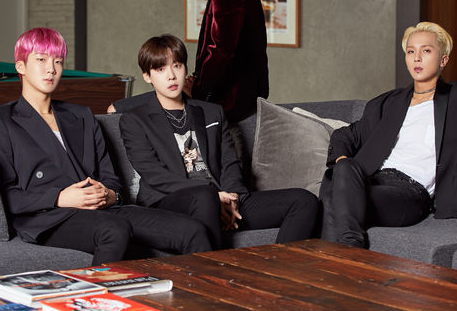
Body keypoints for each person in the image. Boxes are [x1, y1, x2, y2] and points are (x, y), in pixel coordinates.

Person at [0, 28, 211, 265]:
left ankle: (200, 290)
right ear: (20, 66)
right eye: (41, 60)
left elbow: (111, 179)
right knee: (114, 229)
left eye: (58, 61)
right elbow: (4, 195)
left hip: (102, 210)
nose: (51, 69)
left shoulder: (81, 115)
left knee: (192, 230)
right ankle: (93, 291)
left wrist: (110, 195)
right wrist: (59, 197)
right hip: (49, 217)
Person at [319, 22, 457, 248]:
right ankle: (348, 250)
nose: (417, 58)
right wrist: (342, 162)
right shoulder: (389, 103)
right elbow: (344, 135)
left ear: (443, 60)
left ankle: (341, 253)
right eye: (411, 51)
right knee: (343, 170)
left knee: (334, 199)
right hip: (371, 180)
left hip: (409, 193)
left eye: (426, 51)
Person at [119, 34, 318, 250]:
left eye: (177, 65)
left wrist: (232, 197)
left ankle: (279, 267)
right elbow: (155, 176)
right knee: (204, 196)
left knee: (303, 200)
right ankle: (214, 270)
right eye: (160, 69)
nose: (171, 76)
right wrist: (213, 195)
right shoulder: (134, 120)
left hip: (222, 196)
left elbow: (229, 162)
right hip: (171, 201)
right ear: (147, 76)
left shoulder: (212, 112)